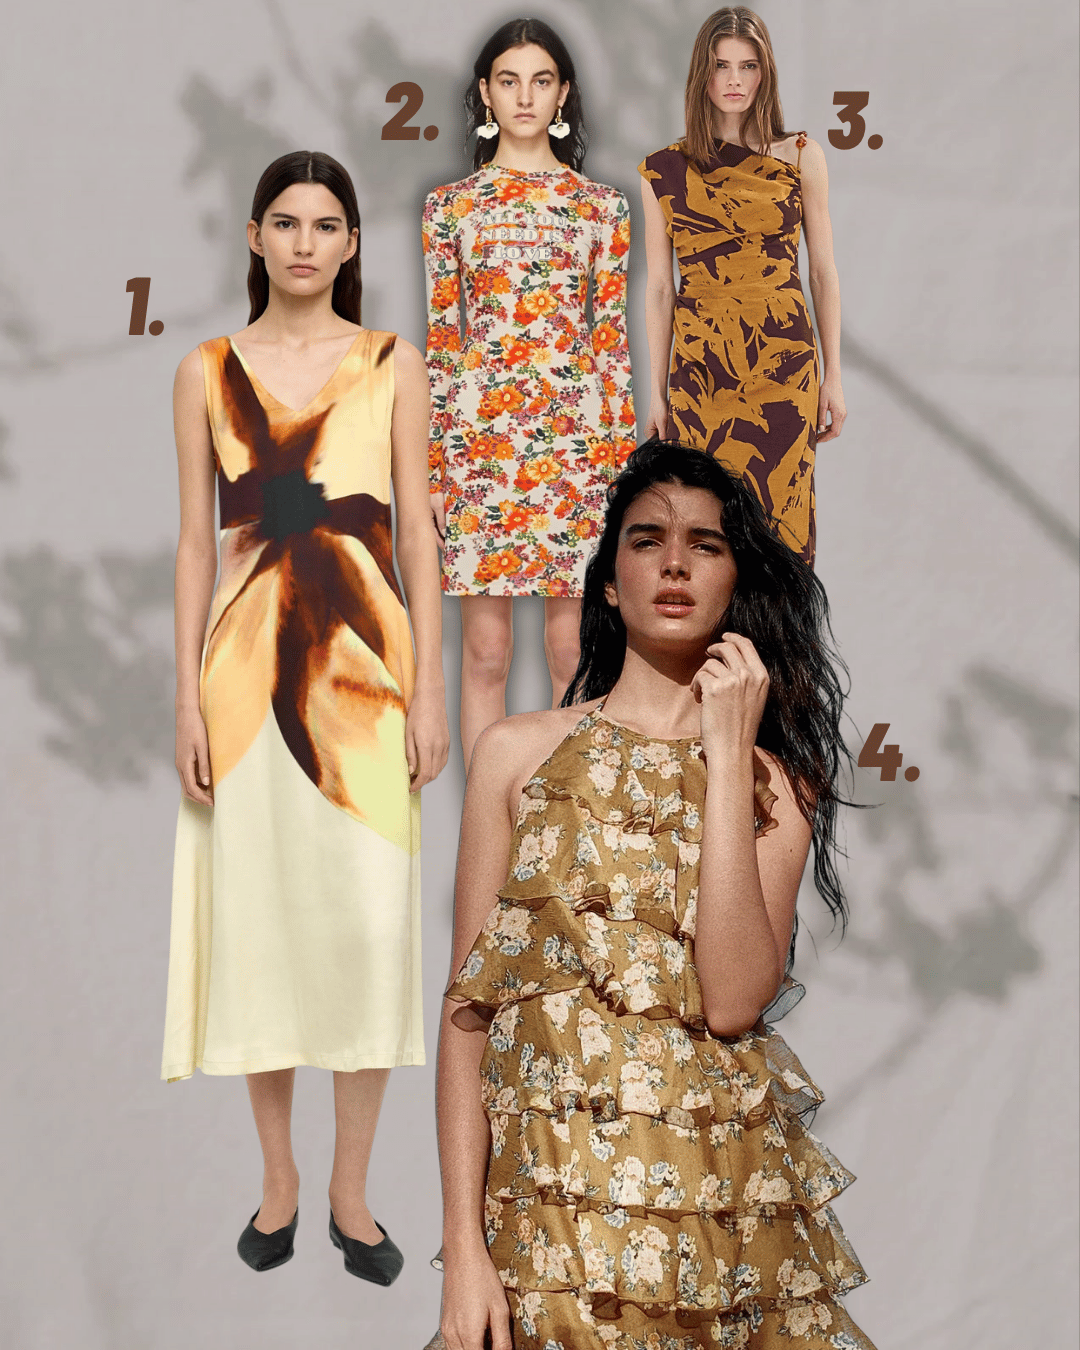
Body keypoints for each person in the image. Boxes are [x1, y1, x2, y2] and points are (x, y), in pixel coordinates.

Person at [428, 441, 876, 1348]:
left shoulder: (773, 783)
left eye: (706, 544)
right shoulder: (514, 754)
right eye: (646, 540)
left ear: (734, 581)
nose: (675, 562)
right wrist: (464, 1253)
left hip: (716, 1222)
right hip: (543, 1225)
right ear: (606, 582)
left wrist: (724, 749)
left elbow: (735, 998)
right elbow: (468, 1013)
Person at [161, 150, 448, 1283]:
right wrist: (182, 690)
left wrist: (429, 687)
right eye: (284, 221)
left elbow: (420, 534)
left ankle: (352, 1189)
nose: (304, 243)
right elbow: (195, 542)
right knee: (262, 926)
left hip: (366, 674)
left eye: (326, 224)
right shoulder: (201, 370)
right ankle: (280, 1179)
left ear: (352, 245)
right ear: (252, 236)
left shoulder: (392, 364)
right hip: (239, 682)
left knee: (367, 926)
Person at [423, 17, 635, 768]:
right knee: (483, 651)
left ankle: (558, 814)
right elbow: (444, 346)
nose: (525, 96)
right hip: (482, 449)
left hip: (577, 451)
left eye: (541, 80)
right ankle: (491, 817)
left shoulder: (602, 208)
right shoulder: (451, 207)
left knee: (570, 643)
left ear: (564, 93)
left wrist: (622, 469)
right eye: (509, 81)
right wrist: (436, 470)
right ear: (484, 92)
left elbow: (609, 343)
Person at [640, 6, 846, 565]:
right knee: (704, 521)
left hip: (783, 360)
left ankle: (776, 654)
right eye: (721, 65)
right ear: (701, 75)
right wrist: (656, 393)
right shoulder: (662, 169)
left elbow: (822, 272)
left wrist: (834, 377)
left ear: (765, 73)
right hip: (701, 363)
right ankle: (710, 653)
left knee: (783, 515)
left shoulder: (802, 155)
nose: (734, 80)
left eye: (747, 66)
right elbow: (661, 289)